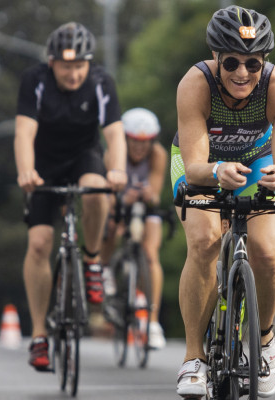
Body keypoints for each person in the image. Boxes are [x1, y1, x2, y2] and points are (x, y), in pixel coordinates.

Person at [171, 6, 275, 398]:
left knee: (264, 251)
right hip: (203, 164)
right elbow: (194, 165)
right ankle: (194, 357)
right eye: (231, 62)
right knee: (204, 241)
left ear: (264, 61)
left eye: (253, 63)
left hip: (259, 162)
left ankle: (263, 340)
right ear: (215, 58)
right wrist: (215, 172)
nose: (242, 73)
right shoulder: (195, 84)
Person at [14, 22, 127, 371]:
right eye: (67, 67)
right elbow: (23, 132)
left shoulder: (100, 82)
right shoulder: (35, 81)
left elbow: (114, 133)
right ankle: (38, 336)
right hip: (44, 164)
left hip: (83, 156)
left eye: (80, 66)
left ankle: (91, 261)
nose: (75, 74)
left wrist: (118, 170)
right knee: (39, 243)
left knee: (97, 191)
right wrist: (26, 171)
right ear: (52, 63)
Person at [99, 107, 168, 349]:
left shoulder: (158, 154)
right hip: (118, 202)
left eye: (145, 142)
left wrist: (149, 195)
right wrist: (121, 203)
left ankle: (153, 322)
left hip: (143, 207)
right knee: (107, 222)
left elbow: (156, 195)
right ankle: (104, 268)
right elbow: (108, 195)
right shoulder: (113, 154)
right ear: (125, 139)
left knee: (151, 254)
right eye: (134, 142)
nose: (140, 147)